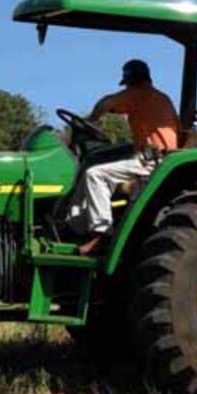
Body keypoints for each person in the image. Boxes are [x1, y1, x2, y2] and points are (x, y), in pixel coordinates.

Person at [67, 59, 180, 255]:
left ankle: (101, 233)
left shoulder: (136, 94)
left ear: (131, 81)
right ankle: (76, 225)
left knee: (95, 174)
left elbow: (106, 103)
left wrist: (91, 119)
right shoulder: (162, 98)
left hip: (150, 161)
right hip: (161, 157)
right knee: (104, 171)